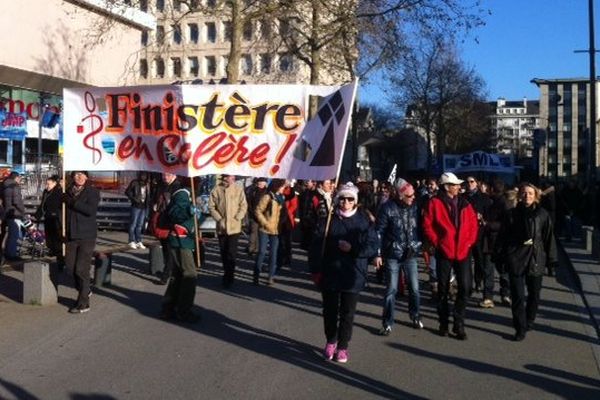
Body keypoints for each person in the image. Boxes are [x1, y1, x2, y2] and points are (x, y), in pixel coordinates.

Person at [309, 182, 378, 363]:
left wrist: (352, 249)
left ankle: (343, 346)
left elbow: (372, 246)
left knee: (348, 313)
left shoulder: (364, 221)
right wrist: (315, 270)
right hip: (330, 273)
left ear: (355, 201)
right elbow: (315, 247)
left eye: (350, 199)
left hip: (353, 275)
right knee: (330, 311)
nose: (345, 202)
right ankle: (331, 340)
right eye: (342, 198)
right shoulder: (328, 220)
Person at [496, 183, 557, 341]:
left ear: (535, 195)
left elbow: (549, 238)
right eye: (524, 193)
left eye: (530, 193)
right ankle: (520, 327)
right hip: (516, 257)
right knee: (517, 295)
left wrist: (552, 260)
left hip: (536, 258)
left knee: (534, 294)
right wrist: (500, 256)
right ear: (519, 195)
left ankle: (529, 320)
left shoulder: (542, 214)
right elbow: (502, 237)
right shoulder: (511, 214)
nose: (527, 196)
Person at [422, 172, 479, 340]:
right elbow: (427, 224)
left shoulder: (465, 203)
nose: (458, 187)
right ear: (447, 187)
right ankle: (444, 323)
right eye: (455, 185)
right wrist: (437, 242)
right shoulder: (434, 203)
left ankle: (458, 322)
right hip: (444, 251)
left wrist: (469, 242)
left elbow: (473, 225)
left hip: (463, 250)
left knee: (466, 287)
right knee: (443, 289)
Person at [375, 178, 423, 336]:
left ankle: (415, 315)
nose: (413, 198)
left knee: (415, 288)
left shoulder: (414, 207)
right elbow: (379, 232)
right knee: (391, 290)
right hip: (393, 254)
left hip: (410, 253)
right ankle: (387, 322)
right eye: (409, 196)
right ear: (400, 195)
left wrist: (420, 243)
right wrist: (378, 253)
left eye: (413, 195)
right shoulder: (387, 208)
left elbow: (420, 227)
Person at [160, 183, 201, 323]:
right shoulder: (182, 194)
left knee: (177, 275)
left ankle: (168, 307)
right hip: (181, 240)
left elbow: (192, 221)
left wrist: (199, 214)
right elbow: (176, 214)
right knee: (189, 275)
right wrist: (190, 211)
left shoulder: (189, 195)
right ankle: (184, 310)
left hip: (183, 240)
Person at [63, 171, 100, 314]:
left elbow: (90, 210)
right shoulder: (68, 191)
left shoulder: (92, 192)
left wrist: (72, 202)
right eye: (76, 175)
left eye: (81, 175)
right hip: (71, 235)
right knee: (70, 268)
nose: (78, 177)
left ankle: (83, 303)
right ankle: (86, 289)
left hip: (86, 236)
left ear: (86, 177)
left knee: (81, 269)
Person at [209, 174, 248, 288]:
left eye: (233, 177)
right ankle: (227, 272)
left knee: (232, 253)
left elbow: (243, 205)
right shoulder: (216, 190)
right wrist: (219, 219)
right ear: (225, 177)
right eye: (230, 177)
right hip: (222, 228)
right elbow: (211, 207)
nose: (233, 178)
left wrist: (239, 216)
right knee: (223, 252)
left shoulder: (238, 189)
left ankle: (229, 276)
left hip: (234, 227)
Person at [463, 176, 493, 306]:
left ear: (477, 183)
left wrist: (483, 220)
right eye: (468, 182)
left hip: (481, 236)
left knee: (482, 264)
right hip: (466, 236)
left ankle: (480, 282)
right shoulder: (463, 198)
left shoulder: (485, 199)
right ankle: (467, 289)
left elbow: (489, 217)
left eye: (472, 181)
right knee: (466, 265)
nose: (469, 184)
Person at [254, 179, 287, 285]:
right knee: (262, 252)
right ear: (277, 186)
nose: (283, 188)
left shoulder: (282, 198)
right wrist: (265, 223)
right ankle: (256, 275)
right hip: (265, 228)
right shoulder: (267, 197)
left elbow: (283, 214)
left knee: (273, 254)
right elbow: (258, 210)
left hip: (276, 230)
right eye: (282, 186)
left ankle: (270, 276)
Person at [151, 172, 181, 285]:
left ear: (174, 176)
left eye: (167, 175)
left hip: (171, 223)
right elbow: (154, 201)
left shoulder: (177, 188)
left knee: (170, 250)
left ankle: (166, 275)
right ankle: (169, 271)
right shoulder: (161, 186)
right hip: (162, 222)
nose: (165, 177)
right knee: (165, 249)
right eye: (164, 175)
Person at [35, 175, 63, 266]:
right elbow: (43, 204)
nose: (47, 186)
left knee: (55, 234)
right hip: (48, 215)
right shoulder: (46, 192)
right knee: (49, 234)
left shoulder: (59, 192)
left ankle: (57, 250)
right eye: (46, 184)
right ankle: (52, 249)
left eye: (49, 184)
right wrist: (38, 214)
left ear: (55, 183)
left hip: (56, 216)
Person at [2, 171, 25, 261]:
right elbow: (17, 201)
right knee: (14, 235)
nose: (20, 180)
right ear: (16, 178)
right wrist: (23, 210)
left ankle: (8, 252)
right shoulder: (15, 186)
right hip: (15, 213)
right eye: (19, 178)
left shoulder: (6, 186)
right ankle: (11, 254)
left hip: (8, 212)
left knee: (11, 234)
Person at [125, 172, 151, 249]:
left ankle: (138, 240)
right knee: (133, 223)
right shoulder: (135, 182)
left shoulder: (147, 184)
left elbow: (148, 195)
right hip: (136, 206)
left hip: (144, 207)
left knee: (140, 225)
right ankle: (131, 241)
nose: (144, 177)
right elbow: (127, 192)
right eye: (142, 175)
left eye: (145, 175)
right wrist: (134, 199)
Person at [246, 177, 268, 256]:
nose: (260, 183)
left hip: (263, 216)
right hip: (253, 215)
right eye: (259, 182)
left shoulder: (268, 192)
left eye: (262, 182)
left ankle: (259, 249)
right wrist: (252, 212)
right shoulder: (253, 191)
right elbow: (249, 202)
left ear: (265, 183)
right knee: (253, 232)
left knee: (261, 233)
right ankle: (251, 249)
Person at [278, 183, 297, 270]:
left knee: (288, 241)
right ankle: (281, 257)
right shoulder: (280, 190)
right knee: (281, 240)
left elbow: (294, 205)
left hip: (288, 219)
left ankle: (288, 258)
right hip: (280, 219)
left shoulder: (292, 192)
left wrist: (286, 212)